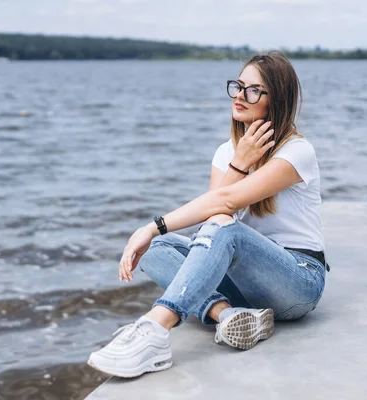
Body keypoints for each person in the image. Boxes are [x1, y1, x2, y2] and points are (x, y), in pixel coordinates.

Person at [87, 51, 329, 378]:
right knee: (155, 249)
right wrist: (238, 162)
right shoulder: (226, 152)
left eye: (254, 90)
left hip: (297, 280)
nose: (241, 96)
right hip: (245, 283)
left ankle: (155, 330)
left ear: (277, 100)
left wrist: (154, 225)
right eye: (238, 86)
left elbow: (224, 204)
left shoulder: (296, 152)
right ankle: (230, 315)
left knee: (215, 228)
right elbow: (211, 217)